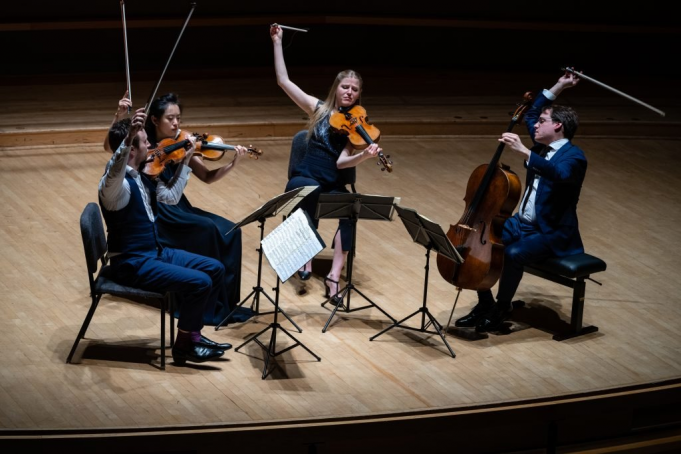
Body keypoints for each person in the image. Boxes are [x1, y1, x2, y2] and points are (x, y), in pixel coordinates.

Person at [455, 71, 586, 332]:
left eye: (543, 122)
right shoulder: (541, 146)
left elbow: (559, 174)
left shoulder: (574, 157)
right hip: (521, 223)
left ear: (558, 126)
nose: (536, 125)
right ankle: (486, 303)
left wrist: (525, 152)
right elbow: (530, 112)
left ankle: (502, 308)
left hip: (551, 233)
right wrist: (559, 86)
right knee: (483, 245)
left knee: (513, 254)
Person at [100, 108, 232, 365]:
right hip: (132, 263)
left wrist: (186, 160)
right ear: (131, 150)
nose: (150, 145)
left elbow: (170, 197)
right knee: (201, 282)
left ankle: (192, 335)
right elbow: (114, 168)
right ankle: (184, 346)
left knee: (215, 268)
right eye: (144, 142)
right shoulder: (115, 187)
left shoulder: (141, 176)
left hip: (155, 253)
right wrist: (127, 139)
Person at [270, 24, 383, 304]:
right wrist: (277, 42)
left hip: (330, 182)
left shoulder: (356, 127)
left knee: (352, 208)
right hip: (305, 177)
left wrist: (364, 155)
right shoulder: (319, 109)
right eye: (345, 86)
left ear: (358, 95)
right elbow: (284, 81)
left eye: (354, 90)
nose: (349, 92)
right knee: (305, 190)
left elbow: (344, 162)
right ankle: (305, 256)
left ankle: (334, 275)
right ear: (337, 88)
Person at [141, 93, 252, 325]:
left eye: (178, 118)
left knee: (232, 230)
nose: (176, 124)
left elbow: (208, 177)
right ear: (154, 120)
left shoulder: (182, 143)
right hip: (162, 213)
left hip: (181, 207)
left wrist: (234, 163)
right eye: (170, 118)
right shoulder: (146, 148)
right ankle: (205, 306)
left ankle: (226, 303)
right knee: (208, 229)